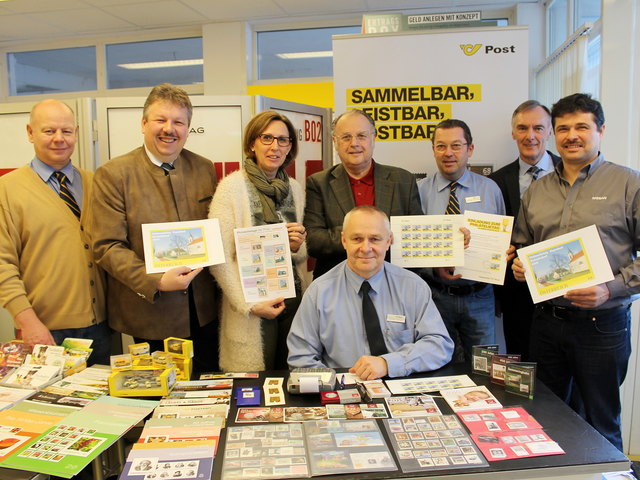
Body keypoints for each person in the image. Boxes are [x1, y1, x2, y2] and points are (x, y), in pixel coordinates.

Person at [512, 93, 640, 452]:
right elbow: (523, 246)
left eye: (582, 126)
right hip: (547, 323)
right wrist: (519, 265)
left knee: (600, 421)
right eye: (563, 128)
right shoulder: (536, 191)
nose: (572, 135)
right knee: (544, 419)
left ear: (600, 131)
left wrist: (611, 289)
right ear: (554, 134)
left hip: (602, 325)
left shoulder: (629, 184)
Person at [92, 83, 219, 373]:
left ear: (188, 128)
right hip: (150, 313)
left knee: (209, 392)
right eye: (161, 120)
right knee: (157, 399)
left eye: (178, 122)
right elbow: (106, 246)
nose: (169, 129)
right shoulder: (113, 175)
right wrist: (155, 281)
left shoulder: (204, 168)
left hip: (203, 311)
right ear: (144, 123)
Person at [0, 99, 109, 365]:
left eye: (66, 131)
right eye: (49, 131)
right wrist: (27, 321)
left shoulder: (96, 183)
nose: (59, 139)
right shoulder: (7, 190)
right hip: (45, 330)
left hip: (102, 328)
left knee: (106, 404)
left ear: (77, 133)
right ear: (30, 133)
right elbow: (2, 265)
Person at [287, 205, 453, 380]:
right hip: (341, 392)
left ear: (389, 241)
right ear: (344, 241)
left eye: (375, 239)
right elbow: (301, 359)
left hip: (401, 387)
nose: (365, 248)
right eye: (357, 239)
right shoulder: (318, 292)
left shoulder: (413, 286)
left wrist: (389, 364)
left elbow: (439, 345)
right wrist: (337, 388)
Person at [209, 111, 307, 372]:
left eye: (283, 140)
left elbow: (299, 254)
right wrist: (248, 304)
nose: (275, 146)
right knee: (253, 386)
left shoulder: (295, 189)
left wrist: (297, 246)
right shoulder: (231, 188)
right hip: (252, 307)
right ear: (252, 143)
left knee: (290, 378)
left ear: (290, 148)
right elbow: (219, 257)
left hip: (292, 301)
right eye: (267, 138)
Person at [417, 119, 505, 363]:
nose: (448, 153)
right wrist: (433, 267)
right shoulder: (418, 191)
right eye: (441, 146)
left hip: (479, 296)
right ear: (433, 149)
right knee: (438, 365)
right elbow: (409, 246)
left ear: (470, 149)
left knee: (486, 367)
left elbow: (501, 242)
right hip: (434, 296)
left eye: (456, 145)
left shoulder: (491, 190)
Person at [304, 109, 423, 279]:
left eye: (361, 136)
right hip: (337, 285)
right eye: (346, 137)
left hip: (394, 283)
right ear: (334, 142)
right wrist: (368, 234)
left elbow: (416, 233)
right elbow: (313, 240)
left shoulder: (403, 180)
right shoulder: (319, 183)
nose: (354, 143)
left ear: (373, 138)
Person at [489, 101, 560, 359]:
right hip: (516, 292)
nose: (530, 136)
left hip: (562, 289)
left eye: (538, 128)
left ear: (549, 132)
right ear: (513, 132)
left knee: (563, 374)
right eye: (522, 128)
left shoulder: (572, 172)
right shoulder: (496, 181)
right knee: (522, 365)